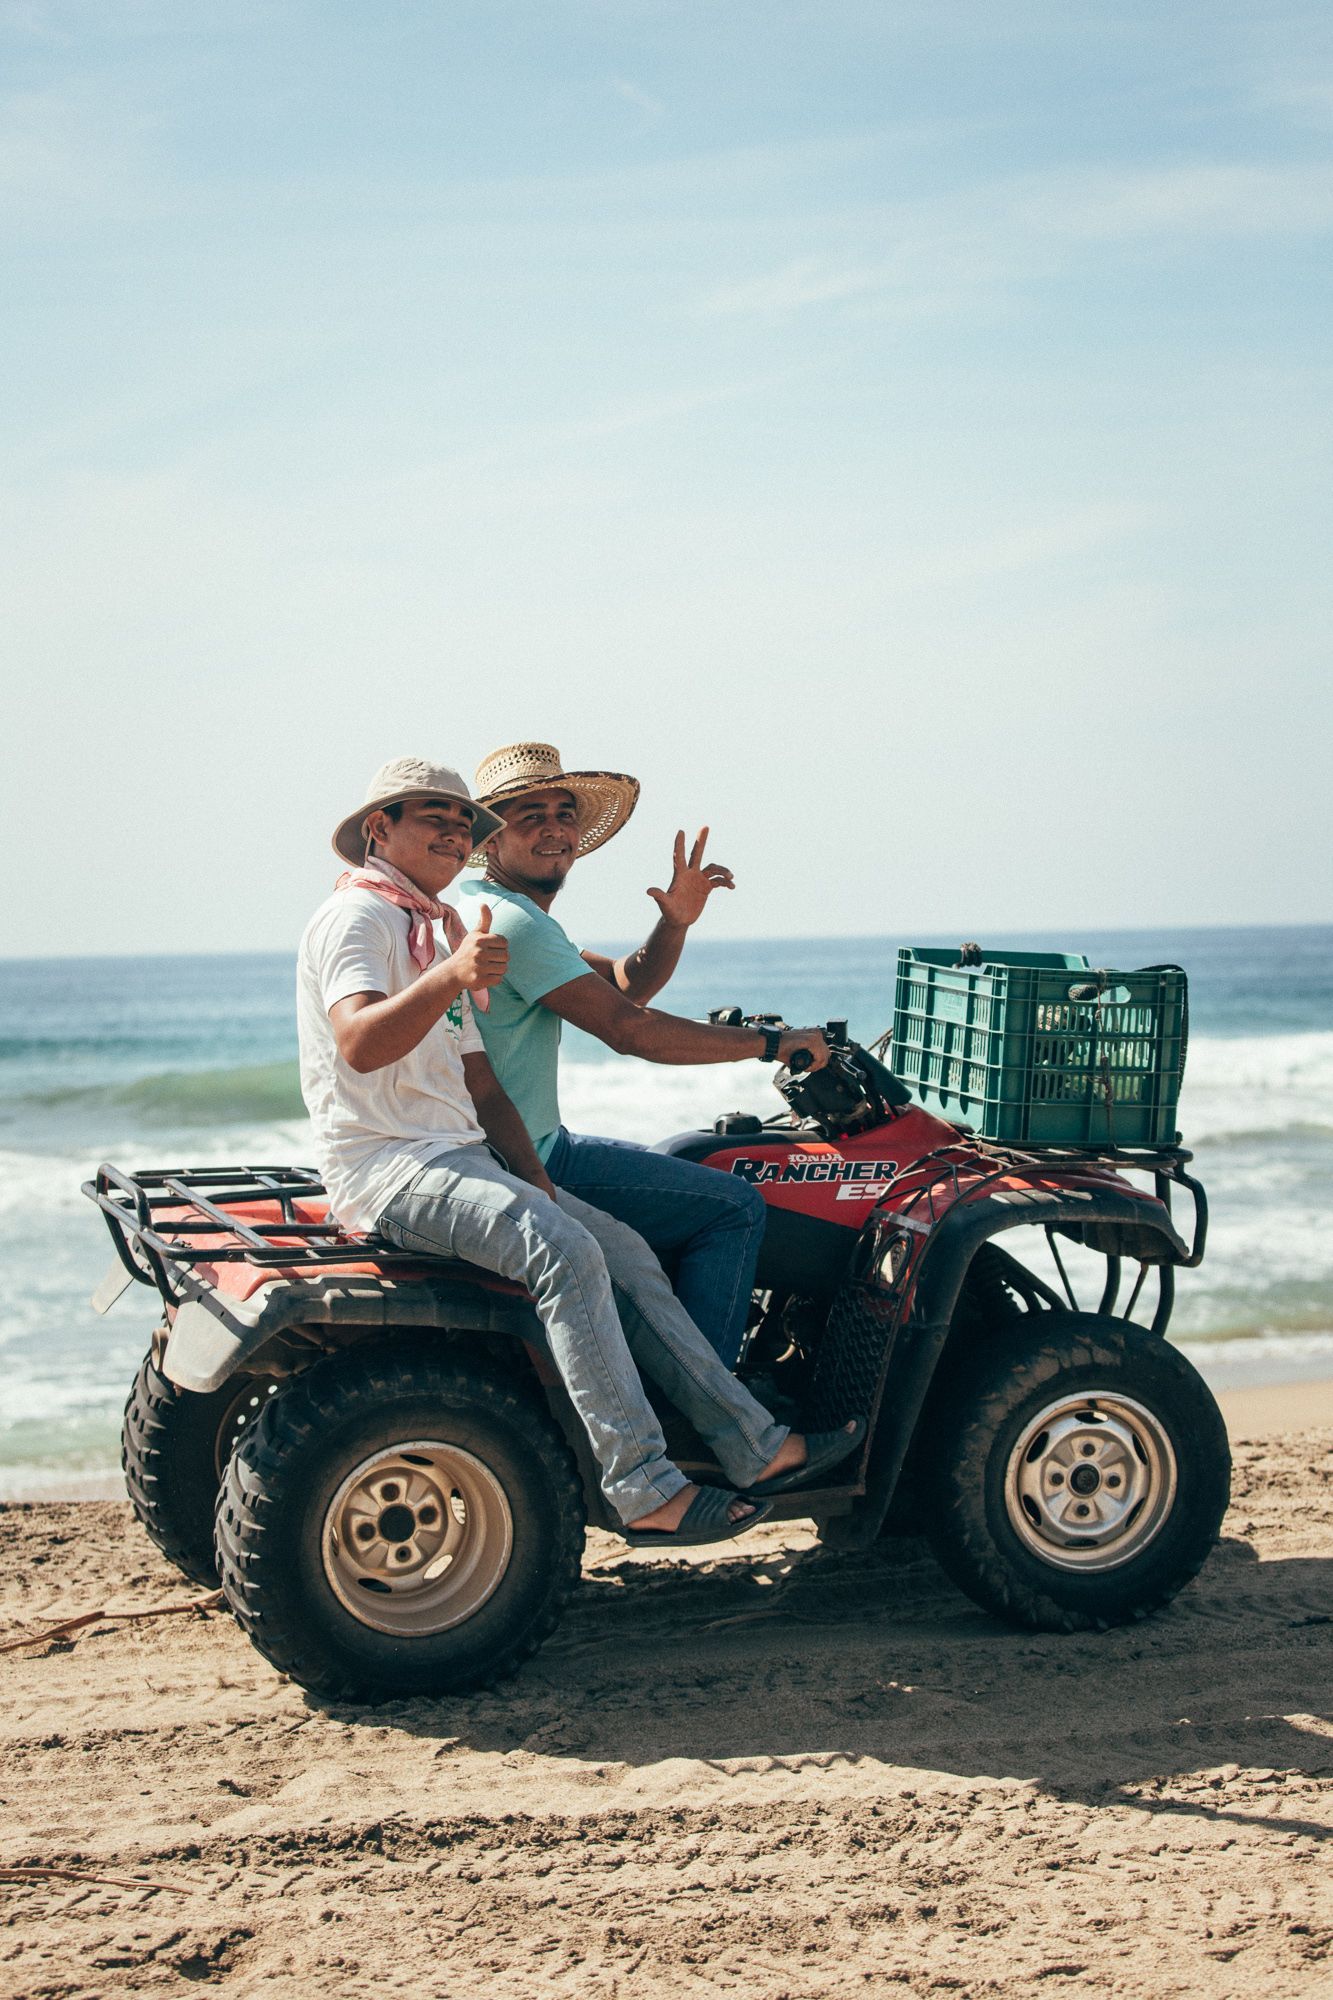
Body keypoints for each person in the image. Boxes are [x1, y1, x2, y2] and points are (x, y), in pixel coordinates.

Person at [296, 756, 863, 1550]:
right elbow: (358, 1043)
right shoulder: (364, 920)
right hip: (392, 1167)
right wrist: (769, 1042)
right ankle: (646, 1487)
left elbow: (482, 1077)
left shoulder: (445, 926)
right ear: (378, 829)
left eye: (463, 822)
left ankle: (753, 1445)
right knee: (595, 1240)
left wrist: (539, 1184)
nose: (454, 834)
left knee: (620, 1249)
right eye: (437, 818)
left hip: (468, 1152)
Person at [454, 741, 833, 1370]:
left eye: (564, 813)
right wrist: (772, 1044)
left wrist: (677, 921)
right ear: (492, 839)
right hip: (526, 1157)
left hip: (513, 1142)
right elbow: (632, 1030)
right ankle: (711, 1407)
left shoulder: (488, 903)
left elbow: (626, 983)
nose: (554, 828)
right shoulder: (516, 923)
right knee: (735, 1207)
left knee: (677, 1158)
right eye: (531, 816)